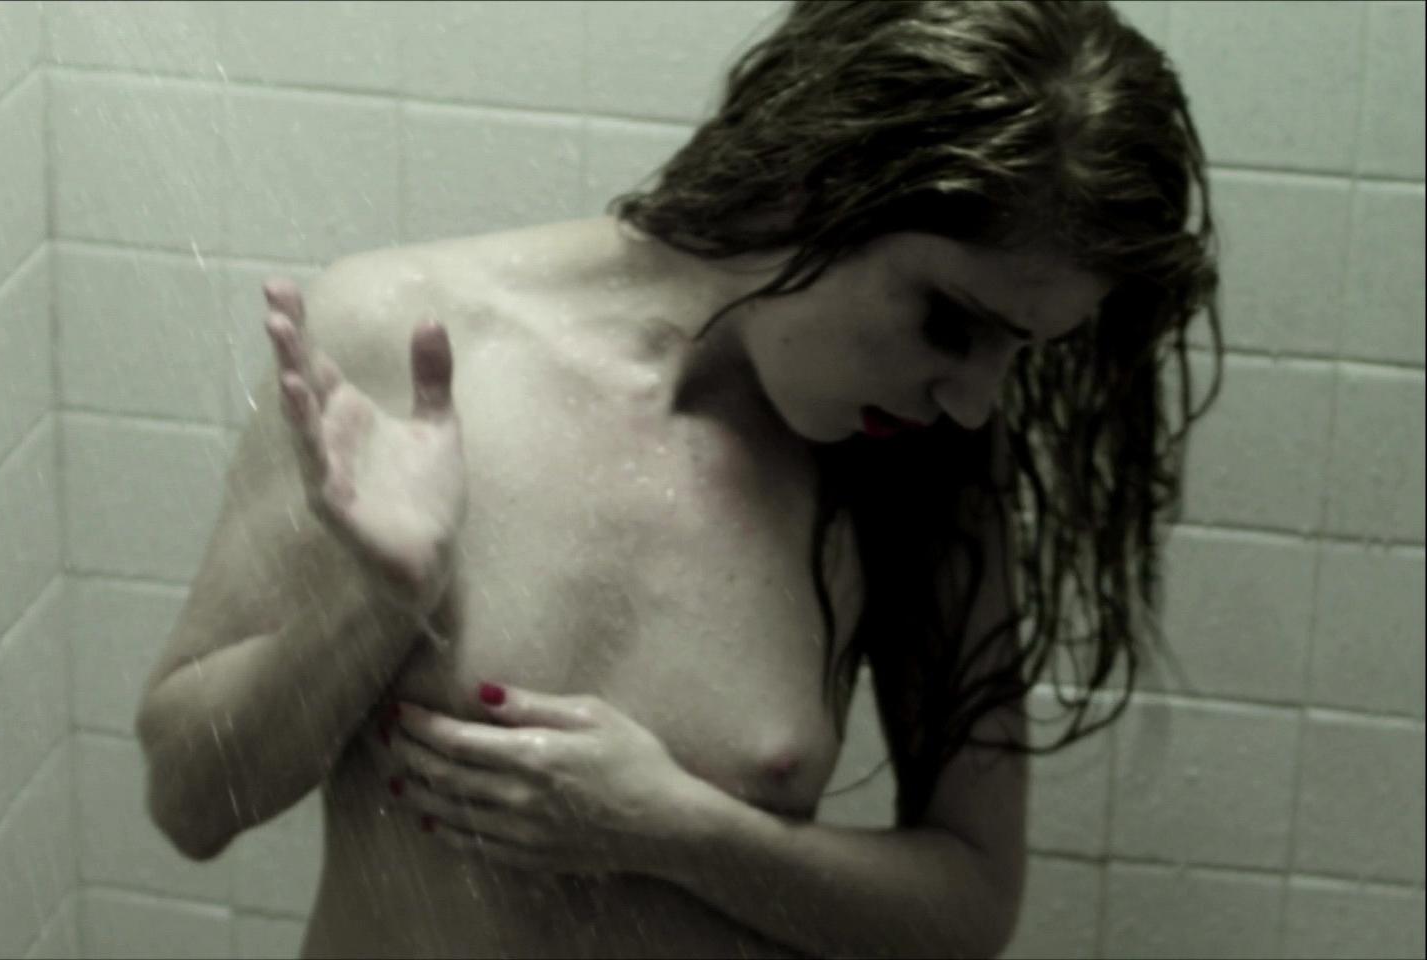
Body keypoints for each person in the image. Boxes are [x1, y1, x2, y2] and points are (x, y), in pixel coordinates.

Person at [136, 1, 1223, 956]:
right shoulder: (405, 338)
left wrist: (682, 832)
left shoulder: (916, 462)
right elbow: (190, 803)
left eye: (1019, 351)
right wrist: (374, 605)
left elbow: (971, 905)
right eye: (949, 320)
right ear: (829, 174)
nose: (977, 401)